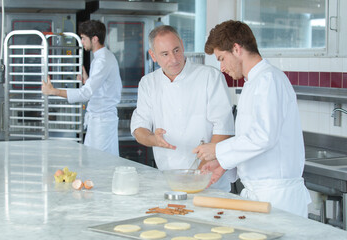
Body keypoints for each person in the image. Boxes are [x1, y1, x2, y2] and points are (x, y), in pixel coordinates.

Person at [193, 20, 311, 217]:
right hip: (259, 194)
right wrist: (223, 164)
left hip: (277, 197)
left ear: (236, 49)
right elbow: (251, 139)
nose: (221, 67)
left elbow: (264, 137)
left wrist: (217, 150)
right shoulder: (252, 83)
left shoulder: (269, 80)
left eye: (222, 58)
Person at [130, 25, 236, 191]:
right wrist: (153, 139)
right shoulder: (148, 83)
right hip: (169, 180)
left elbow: (224, 128)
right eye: (165, 54)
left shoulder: (210, 76)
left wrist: (201, 171)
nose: (174, 59)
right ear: (153, 56)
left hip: (209, 180)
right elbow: (138, 128)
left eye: (176, 50)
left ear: (182, 45)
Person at [42, 20, 122, 156]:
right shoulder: (103, 57)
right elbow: (102, 88)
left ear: (95, 39)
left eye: (84, 38)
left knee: (99, 163)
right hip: (98, 121)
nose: (82, 42)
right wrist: (87, 81)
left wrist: (53, 91)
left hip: (102, 123)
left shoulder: (102, 60)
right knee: (96, 161)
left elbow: (85, 94)